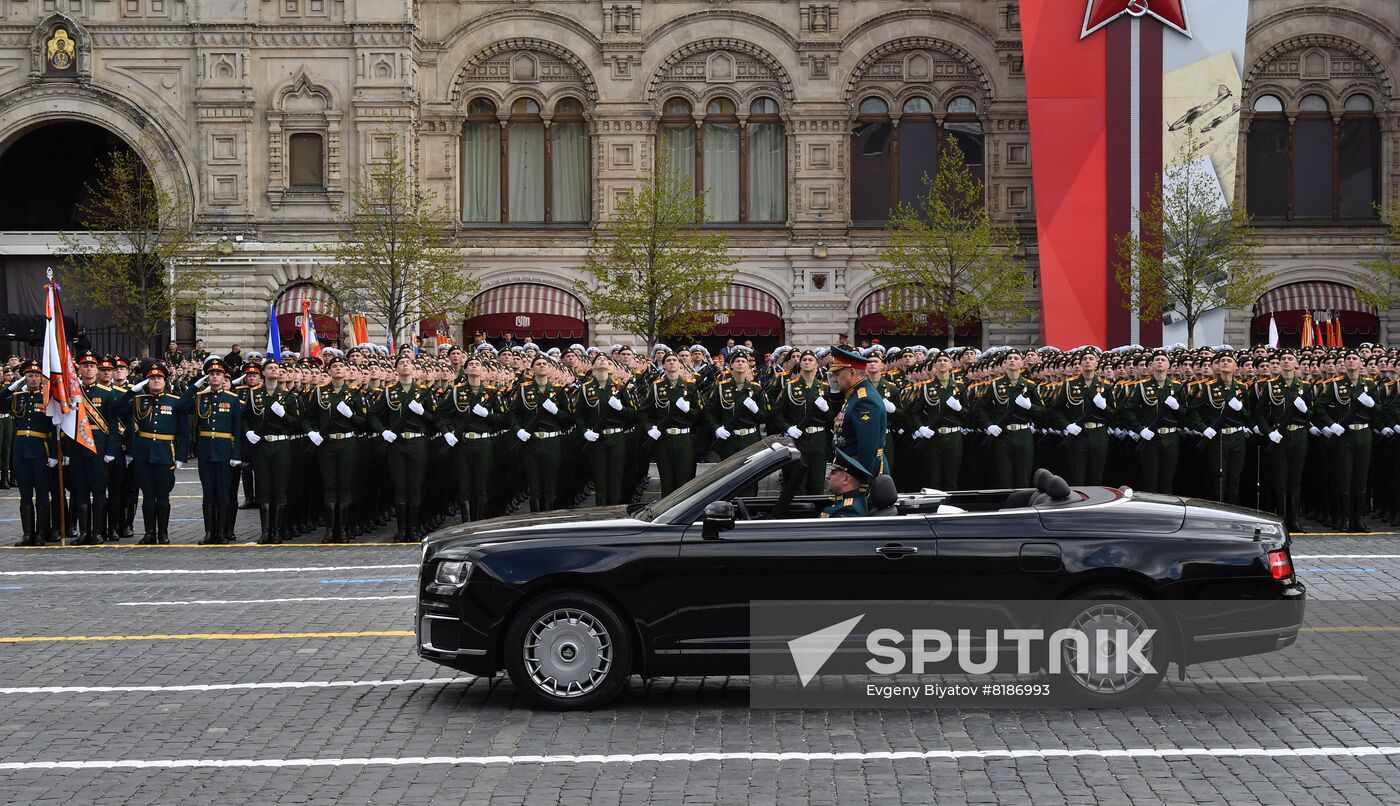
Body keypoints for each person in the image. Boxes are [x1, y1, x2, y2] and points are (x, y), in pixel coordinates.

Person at [117, 360, 189, 544]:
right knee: (148, 496)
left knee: (163, 495)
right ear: (146, 381)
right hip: (143, 454)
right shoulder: (138, 400)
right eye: (151, 378)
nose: (156, 380)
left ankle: (163, 533)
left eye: (159, 377)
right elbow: (115, 408)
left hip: (165, 454)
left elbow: (183, 431)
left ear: (165, 381)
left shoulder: (175, 402)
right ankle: (150, 533)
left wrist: (181, 456)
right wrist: (132, 391)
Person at [368, 354, 439, 541]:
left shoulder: (423, 391)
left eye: (408, 363)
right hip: (396, 443)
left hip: (418, 443)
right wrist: (384, 432)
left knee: (415, 486)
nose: (405, 365)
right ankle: (402, 530)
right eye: (401, 363)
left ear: (414, 370)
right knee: (399, 486)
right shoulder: (389, 392)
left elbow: (436, 420)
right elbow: (373, 415)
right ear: (396, 370)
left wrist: (423, 412)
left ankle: (414, 529)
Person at [175, 358, 243, 544]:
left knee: (222, 492)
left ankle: (221, 532)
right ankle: (209, 532)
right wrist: (194, 386)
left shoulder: (232, 399)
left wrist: (237, 454)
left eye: (218, 374)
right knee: (208, 493)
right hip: (206, 451)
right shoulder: (200, 397)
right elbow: (179, 406)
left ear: (224, 377)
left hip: (224, 452)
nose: (214, 376)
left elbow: (238, 429)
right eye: (211, 374)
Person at [1314, 349, 1383, 532]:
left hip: (1364, 434)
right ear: (1344, 364)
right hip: (1345, 435)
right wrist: (1330, 424)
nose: (1351, 361)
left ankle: (1358, 520)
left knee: (1361, 477)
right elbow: (1319, 406)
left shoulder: (1370, 385)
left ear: (1361, 363)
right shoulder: (1336, 385)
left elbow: (1380, 411)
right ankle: (1345, 520)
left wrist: (1372, 405)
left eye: (1355, 358)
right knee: (1344, 477)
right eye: (1348, 359)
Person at [242, 357, 302, 543]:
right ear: (264, 373)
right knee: (263, 487)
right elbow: (245, 419)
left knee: (280, 487)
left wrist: (283, 414)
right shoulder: (254, 395)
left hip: (281, 445)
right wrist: (248, 433)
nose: (274, 370)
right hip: (262, 445)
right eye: (270, 368)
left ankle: (277, 531)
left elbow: (297, 423)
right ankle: (265, 531)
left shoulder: (288, 395)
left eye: (277, 368)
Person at [441, 352, 506, 522]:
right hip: (462, 443)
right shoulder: (456, 391)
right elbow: (441, 414)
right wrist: (448, 432)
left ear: (483, 371)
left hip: (483, 442)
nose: (474, 366)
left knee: (481, 485)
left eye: (477, 364)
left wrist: (487, 415)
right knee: (464, 485)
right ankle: (466, 524)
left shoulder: (491, 392)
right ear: (465, 370)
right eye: (471, 364)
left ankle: (480, 523)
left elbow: (503, 419)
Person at [1, 360, 57, 545]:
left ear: (42, 378)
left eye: (36, 376)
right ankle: (27, 533)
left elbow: (54, 428)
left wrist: (54, 455)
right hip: (20, 450)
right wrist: (11, 388)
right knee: (25, 495)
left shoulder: (48, 397)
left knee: (41, 494)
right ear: (25, 377)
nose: (33, 379)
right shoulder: (19, 396)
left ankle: (41, 533)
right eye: (30, 376)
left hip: (40, 449)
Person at [511, 354, 573, 512]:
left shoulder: (558, 390)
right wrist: (518, 431)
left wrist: (556, 411)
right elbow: (513, 414)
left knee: (550, 484)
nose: (541, 366)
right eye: (538, 364)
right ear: (532, 369)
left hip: (552, 442)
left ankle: (549, 520)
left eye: (544, 363)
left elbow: (568, 418)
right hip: (531, 442)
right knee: (534, 485)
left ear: (549, 368)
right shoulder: (524, 389)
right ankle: (535, 521)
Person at [645, 350, 702, 496]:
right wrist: (650, 428)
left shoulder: (689, 387)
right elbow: (645, 412)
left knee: (684, 481)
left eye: (674, 360)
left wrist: (688, 410)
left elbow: (699, 415)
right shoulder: (656, 387)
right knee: (667, 480)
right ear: (663, 365)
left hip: (684, 439)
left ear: (680, 364)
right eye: (668, 360)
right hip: (664, 439)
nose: (671, 362)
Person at [828, 344, 888, 478]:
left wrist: (861, 481)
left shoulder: (864, 400)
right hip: (849, 468)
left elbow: (868, 449)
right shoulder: (853, 394)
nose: (835, 379)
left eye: (837, 374)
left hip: (859, 473)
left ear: (852, 373)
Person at [821, 447, 871, 518]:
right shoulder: (844, 503)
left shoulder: (848, 511)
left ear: (846, 479)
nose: (827, 476)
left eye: (833, 473)